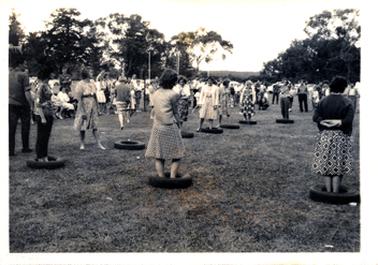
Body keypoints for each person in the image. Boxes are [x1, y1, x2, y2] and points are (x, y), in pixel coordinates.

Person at [312, 76, 354, 193]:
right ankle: (335, 193)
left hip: (325, 136)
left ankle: (328, 192)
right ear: (343, 88)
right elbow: (348, 120)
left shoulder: (323, 101)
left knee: (326, 164)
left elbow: (315, 117)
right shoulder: (347, 102)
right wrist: (338, 122)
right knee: (338, 166)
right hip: (341, 137)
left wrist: (323, 121)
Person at [145, 69, 184, 179]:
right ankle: (172, 178)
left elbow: (154, 109)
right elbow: (175, 112)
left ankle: (161, 178)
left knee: (159, 155)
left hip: (157, 126)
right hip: (169, 126)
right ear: (173, 81)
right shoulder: (173, 94)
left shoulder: (156, 93)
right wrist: (180, 123)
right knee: (177, 154)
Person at [9, 46, 33, 156]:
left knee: (11, 128)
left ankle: (11, 150)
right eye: (24, 64)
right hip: (22, 104)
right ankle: (25, 147)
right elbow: (27, 93)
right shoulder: (23, 75)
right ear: (20, 64)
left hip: (10, 104)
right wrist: (31, 105)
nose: (26, 65)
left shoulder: (8, 74)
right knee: (25, 126)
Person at [73, 68, 106, 150]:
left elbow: (95, 95)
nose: (92, 73)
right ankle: (82, 144)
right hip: (84, 104)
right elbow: (79, 98)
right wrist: (82, 111)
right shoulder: (80, 84)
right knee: (83, 126)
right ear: (86, 73)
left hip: (93, 105)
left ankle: (99, 143)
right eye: (90, 72)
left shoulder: (92, 82)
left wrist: (97, 107)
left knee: (95, 125)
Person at [33, 66, 55, 161]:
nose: (52, 75)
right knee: (41, 136)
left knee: (46, 136)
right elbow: (38, 103)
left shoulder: (47, 85)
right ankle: (40, 156)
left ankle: (44, 155)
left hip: (48, 113)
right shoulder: (41, 86)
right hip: (43, 114)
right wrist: (42, 117)